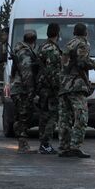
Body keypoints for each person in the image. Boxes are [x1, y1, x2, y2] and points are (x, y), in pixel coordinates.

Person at [58, 23, 95, 158]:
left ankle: (64, 147)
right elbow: (83, 62)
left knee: (65, 118)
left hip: (64, 86)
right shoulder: (83, 44)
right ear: (86, 33)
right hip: (76, 85)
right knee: (81, 116)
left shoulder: (68, 44)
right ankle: (75, 146)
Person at [11, 30, 39, 153]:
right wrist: (31, 91)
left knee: (21, 116)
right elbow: (27, 73)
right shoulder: (25, 53)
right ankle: (23, 145)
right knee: (24, 117)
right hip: (22, 90)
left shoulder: (19, 51)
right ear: (34, 40)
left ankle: (22, 143)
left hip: (18, 89)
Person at [36, 23, 62, 154]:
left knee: (44, 115)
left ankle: (43, 143)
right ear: (58, 33)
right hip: (50, 87)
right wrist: (58, 87)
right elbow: (52, 72)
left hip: (42, 86)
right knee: (53, 115)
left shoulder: (42, 47)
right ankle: (46, 143)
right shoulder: (52, 49)